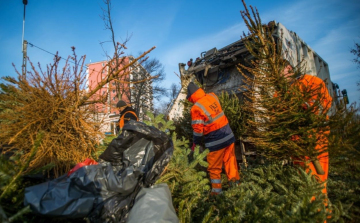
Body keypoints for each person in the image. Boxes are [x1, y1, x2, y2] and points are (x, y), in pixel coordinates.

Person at [283, 64, 332, 197]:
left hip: (315, 141)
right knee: (303, 182)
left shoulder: (311, 82)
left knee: (316, 183)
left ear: (289, 68)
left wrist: (302, 106)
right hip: (297, 145)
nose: (280, 76)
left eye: (282, 71)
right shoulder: (283, 92)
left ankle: (320, 214)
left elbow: (321, 106)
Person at [186, 82, 240, 195]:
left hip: (215, 141)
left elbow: (198, 130)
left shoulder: (196, 108)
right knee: (230, 161)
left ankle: (217, 193)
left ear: (191, 97)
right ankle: (236, 187)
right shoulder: (212, 96)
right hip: (228, 135)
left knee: (214, 168)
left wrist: (195, 143)